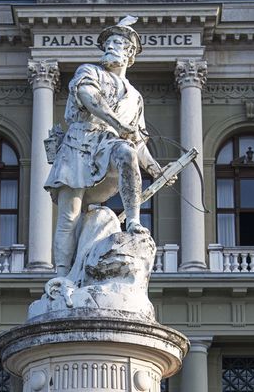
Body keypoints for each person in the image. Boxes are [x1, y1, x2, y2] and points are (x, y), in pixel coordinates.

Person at [44, 18, 169, 276]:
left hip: (107, 145)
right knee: (70, 215)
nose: (110, 47)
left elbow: (138, 140)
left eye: (117, 43)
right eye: (108, 43)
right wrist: (118, 124)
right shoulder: (89, 71)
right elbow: (90, 99)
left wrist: (156, 169)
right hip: (79, 145)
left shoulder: (135, 97)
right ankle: (61, 276)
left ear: (129, 53)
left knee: (126, 152)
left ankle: (133, 220)